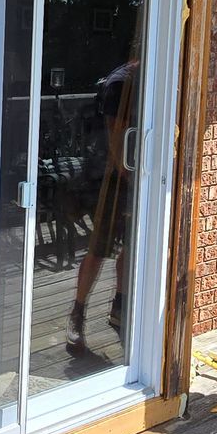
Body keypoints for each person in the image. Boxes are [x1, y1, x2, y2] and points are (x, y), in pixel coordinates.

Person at [67, 58, 138, 351]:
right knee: (98, 248)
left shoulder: (141, 78)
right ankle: (77, 314)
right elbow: (116, 136)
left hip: (132, 176)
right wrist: (127, 173)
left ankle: (119, 306)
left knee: (130, 246)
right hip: (108, 179)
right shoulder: (121, 83)